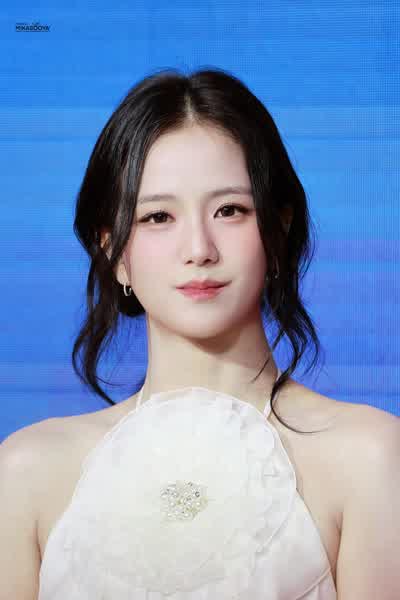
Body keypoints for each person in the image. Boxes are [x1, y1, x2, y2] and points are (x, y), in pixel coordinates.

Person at [1, 67, 399, 600]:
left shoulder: (370, 456)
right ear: (113, 251)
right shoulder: (28, 472)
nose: (198, 249)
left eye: (229, 210)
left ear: (278, 232)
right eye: (157, 217)